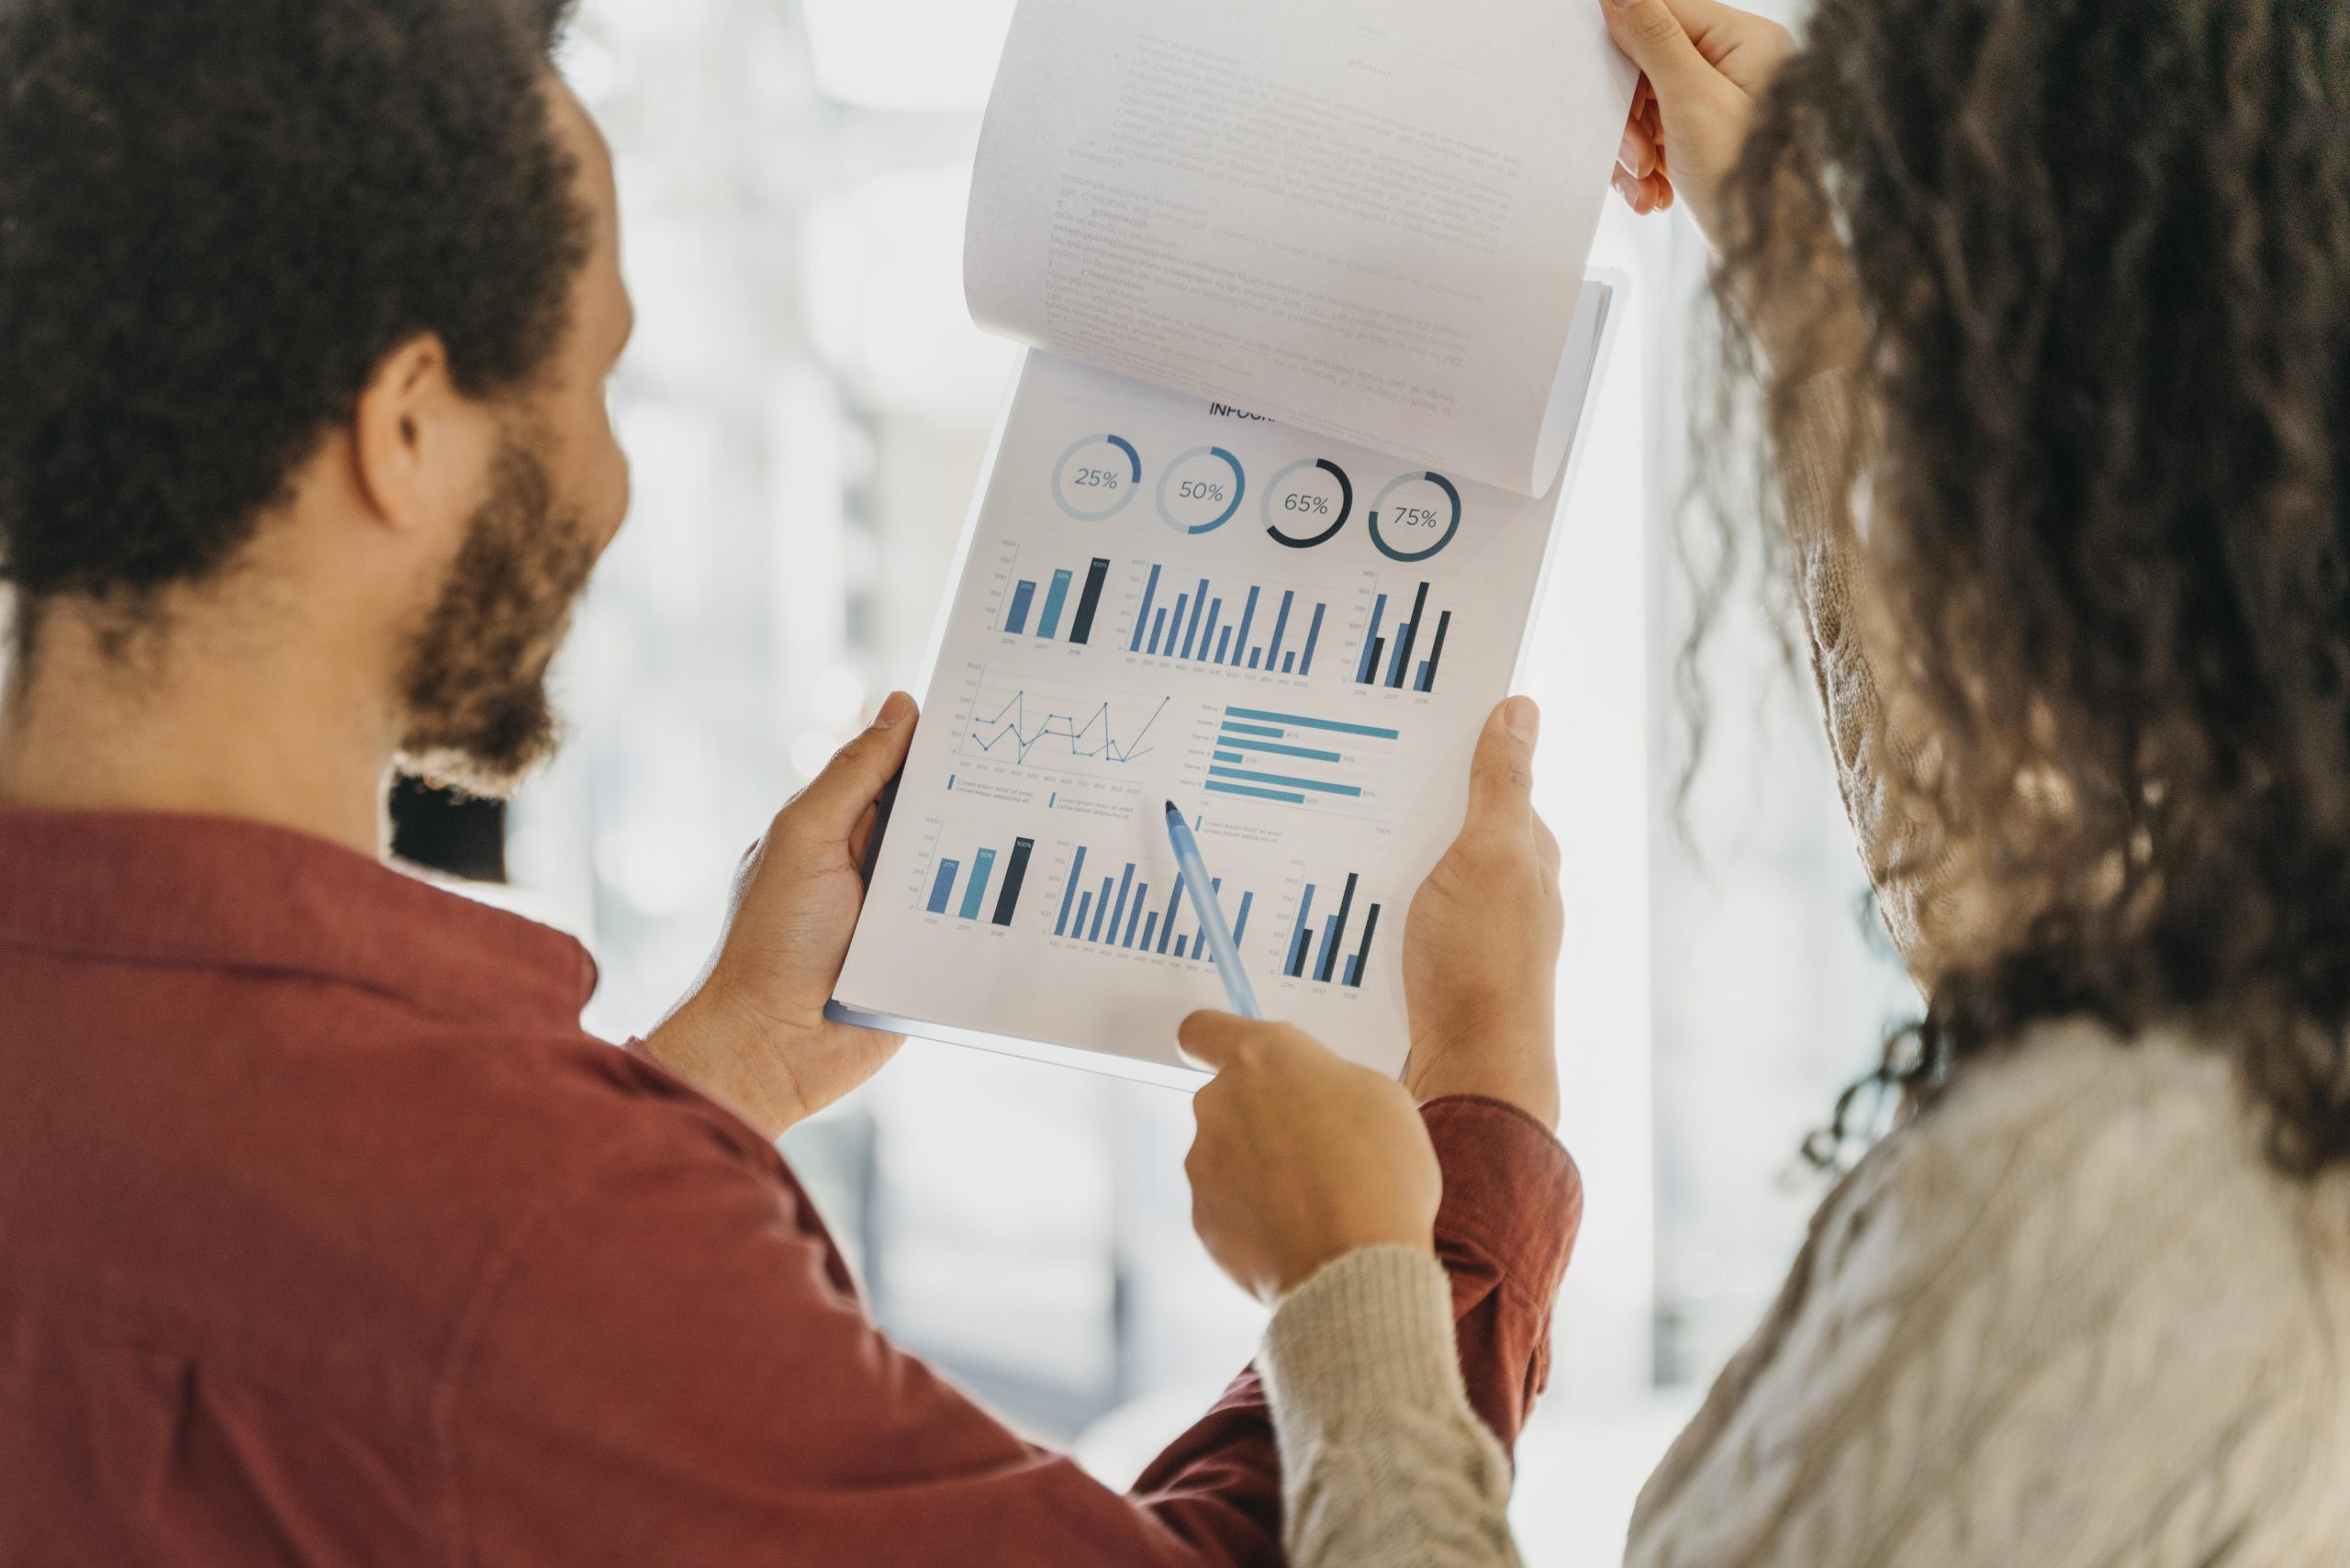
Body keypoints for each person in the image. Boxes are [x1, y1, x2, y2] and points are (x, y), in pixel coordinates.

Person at [0, 1, 1583, 1562]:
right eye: (597, 381)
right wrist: (1468, 1121)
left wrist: (723, 1069)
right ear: (406, 428)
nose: (612, 482)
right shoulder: (533, 1239)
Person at [1181, 0, 2350, 1562]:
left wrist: (1349, 1289)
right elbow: (2029, 908)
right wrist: (1807, 294)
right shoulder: (2268, 982)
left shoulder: (2141, 1212)